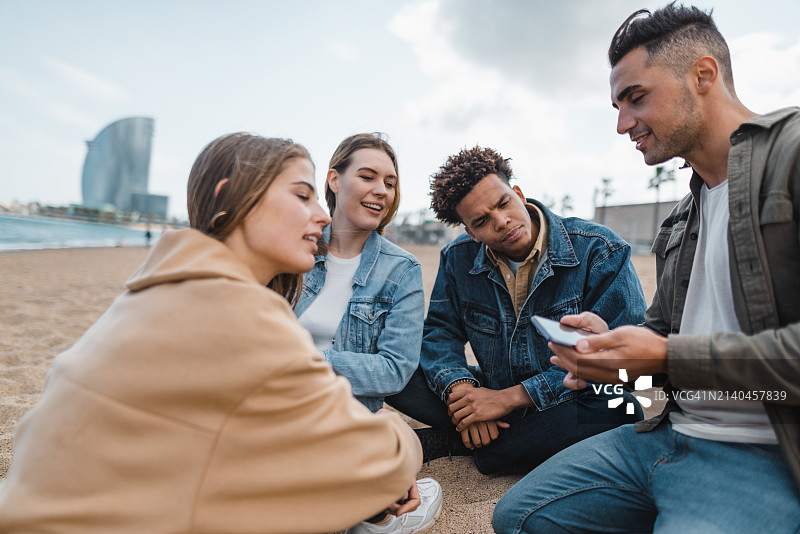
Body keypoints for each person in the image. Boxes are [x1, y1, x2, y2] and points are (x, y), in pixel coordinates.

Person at [0, 133, 423, 534]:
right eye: (301, 195)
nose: (321, 215)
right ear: (228, 198)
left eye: (390, 181)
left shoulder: (154, 289)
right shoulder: (242, 317)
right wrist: (394, 428)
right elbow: (387, 462)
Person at [492, 4, 800, 533]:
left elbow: (671, 352)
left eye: (636, 98)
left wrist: (667, 356)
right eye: (617, 105)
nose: (621, 124)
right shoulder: (683, 216)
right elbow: (661, 343)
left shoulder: (791, 156)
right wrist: (613, 348)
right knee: (517, 518)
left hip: (764, 450)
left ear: (704, 75)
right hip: (664, 432)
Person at [386, 145, 647, 475]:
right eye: (482, 220)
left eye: (503, 203)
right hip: (489, 391)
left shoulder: (599, 249)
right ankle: (490, 435)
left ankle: (460, 443)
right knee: (396, 366)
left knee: (619, 409)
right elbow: (440, 334)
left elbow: (624, 362)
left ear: (519, 193)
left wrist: (511, 398)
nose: (501, 221)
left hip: (567, 402)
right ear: (470, 231)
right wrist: (462, 390)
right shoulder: (457, 258)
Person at [295, 133, 441, 534]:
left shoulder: (401, 270)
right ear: (334, 180)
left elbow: (395, 370)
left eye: (390, 183)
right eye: (368, 176)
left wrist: (307, 364)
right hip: (280, 409)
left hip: (350, 421)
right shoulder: (294, 250)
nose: (381, 191)